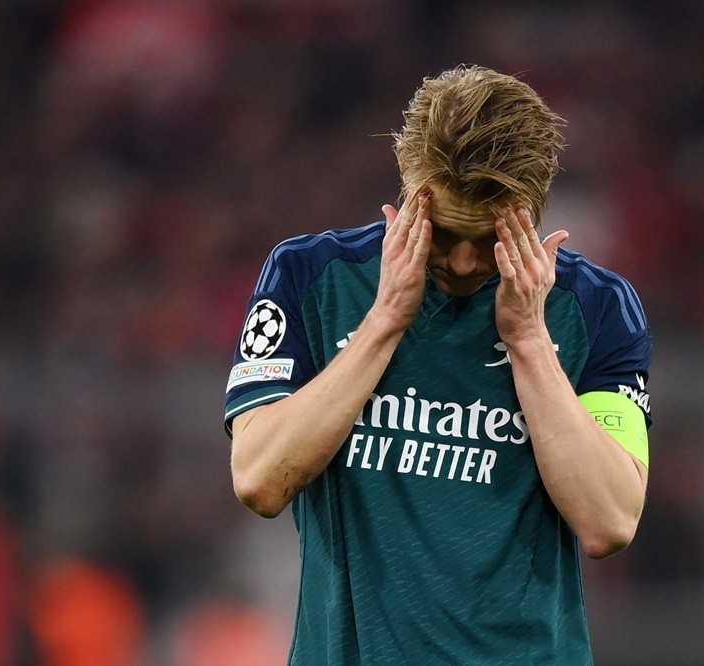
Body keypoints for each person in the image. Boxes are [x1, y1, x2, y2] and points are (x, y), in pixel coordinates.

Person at [224, 65, 653, 665]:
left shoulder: (597, 310)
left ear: (535, 210)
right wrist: (385, 320)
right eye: (445, 230)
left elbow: (610, 520)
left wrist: (528, 339)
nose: (458, 260)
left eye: (486, 239)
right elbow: (259, 479)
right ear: (406, 184)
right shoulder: (312, 278)